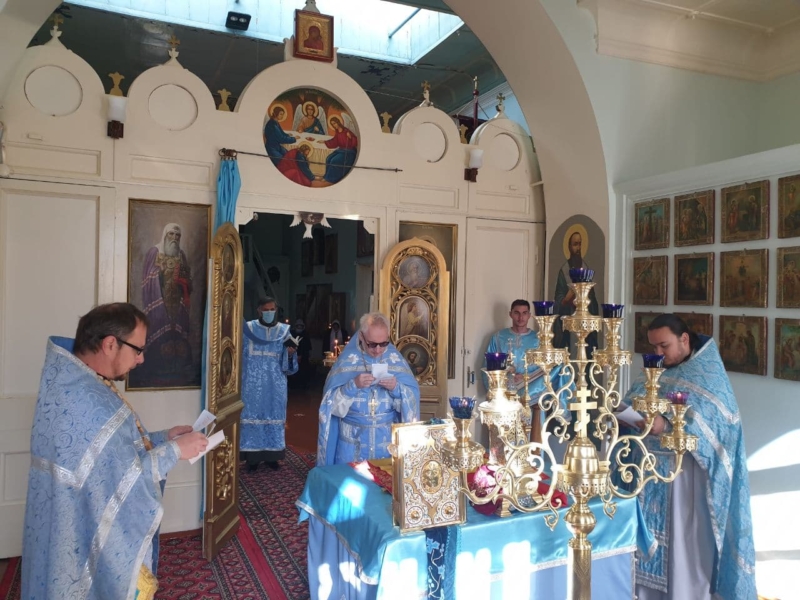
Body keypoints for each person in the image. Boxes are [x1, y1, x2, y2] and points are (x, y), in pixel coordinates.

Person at [21, 302, 208, 600]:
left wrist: (162, 438)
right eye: (138, 349)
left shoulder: (79, 380)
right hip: (77, 541)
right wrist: (173, 451)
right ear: (110, 344)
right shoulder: (85, 400)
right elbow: (118, 486)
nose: (141, 359)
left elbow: (114, 453)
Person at [619, 314, 756, 600]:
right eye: (653, 347)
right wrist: (624, 414)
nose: (657, 354)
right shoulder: (657, 370)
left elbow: (718, 425)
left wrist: (666, 425)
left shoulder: (708, 376)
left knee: (683, 546)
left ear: (684, 339)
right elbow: (636, 401)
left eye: (664, 346)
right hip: (646, 474)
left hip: (686, 480)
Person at [317, 312, 420, 465]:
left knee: (385, 480)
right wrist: (352, 385)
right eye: (372, 344)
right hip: (351, 444)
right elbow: (329, 406)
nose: (378, 350)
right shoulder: (347, 361)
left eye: (383, 344)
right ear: (361, 336)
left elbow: (412, 399)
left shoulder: (395, 360)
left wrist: (396, 388)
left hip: (385, 444)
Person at [129, 222, 197, 388]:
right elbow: (148, 277)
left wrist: (184, 281)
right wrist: (161, 273)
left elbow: (188, 281)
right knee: (159, 340)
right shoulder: (154, 252)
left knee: (177, 339)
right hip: (159, 303)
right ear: (165, 235)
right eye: (171, 234)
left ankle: (178, 370)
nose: (174, 238)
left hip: (177, 305)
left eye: (177, 235)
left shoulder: (181, 255)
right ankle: (156, 372)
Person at [240, 297, 298, 471]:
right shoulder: (248, 329)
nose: (269, 312)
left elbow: (289, 366)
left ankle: (272, 457)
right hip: (252, 386)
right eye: (266, 310)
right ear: (259, 310)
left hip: (275, 385)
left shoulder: (283, 331)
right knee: (253, 417)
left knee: (273, 418)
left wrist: (290, 354)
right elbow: (240, 354)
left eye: (272, 309)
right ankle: (252, 460)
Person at [553, 230, 599, 353]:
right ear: (569, 246)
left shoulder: (586, 270)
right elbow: (558, 299)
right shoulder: (564, 271)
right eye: (575, 244)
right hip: (568, 322)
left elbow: (593, 301)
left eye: (579, 244)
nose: (578, 248)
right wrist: (566, 299)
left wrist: (587, 303)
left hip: (584, 324)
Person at [322, 116, 358, 184]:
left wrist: (350, 137)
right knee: (328, 158)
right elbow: (335, 141)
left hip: (349, 151)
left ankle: (331, 179)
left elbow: (355, 141)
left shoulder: (346, 131)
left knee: (334, 161)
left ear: (338, 122)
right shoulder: (337, 132)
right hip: (341, 150)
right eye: (332, 124)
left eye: (334, 123)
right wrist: (325, 142)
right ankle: (326, 176)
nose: (334, 125)